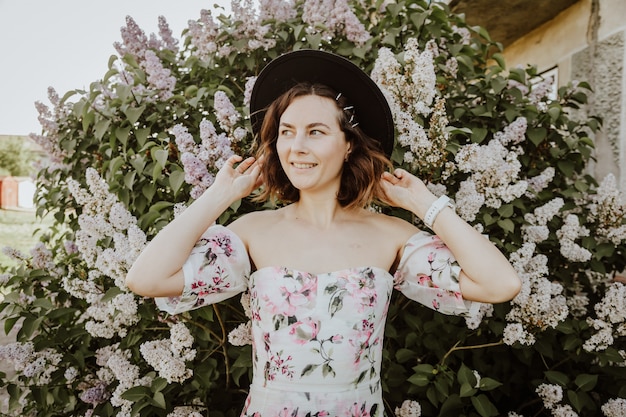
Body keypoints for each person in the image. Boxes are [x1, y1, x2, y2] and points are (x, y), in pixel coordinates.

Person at [126, 49, 521, 416]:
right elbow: (146, 278)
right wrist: (219, 196)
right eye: (286, 131)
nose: (296, 146)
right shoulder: (252, 232)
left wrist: (425, 205)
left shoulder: (390, 236)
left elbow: (499, 284)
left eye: (316, 131)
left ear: (348, 144)